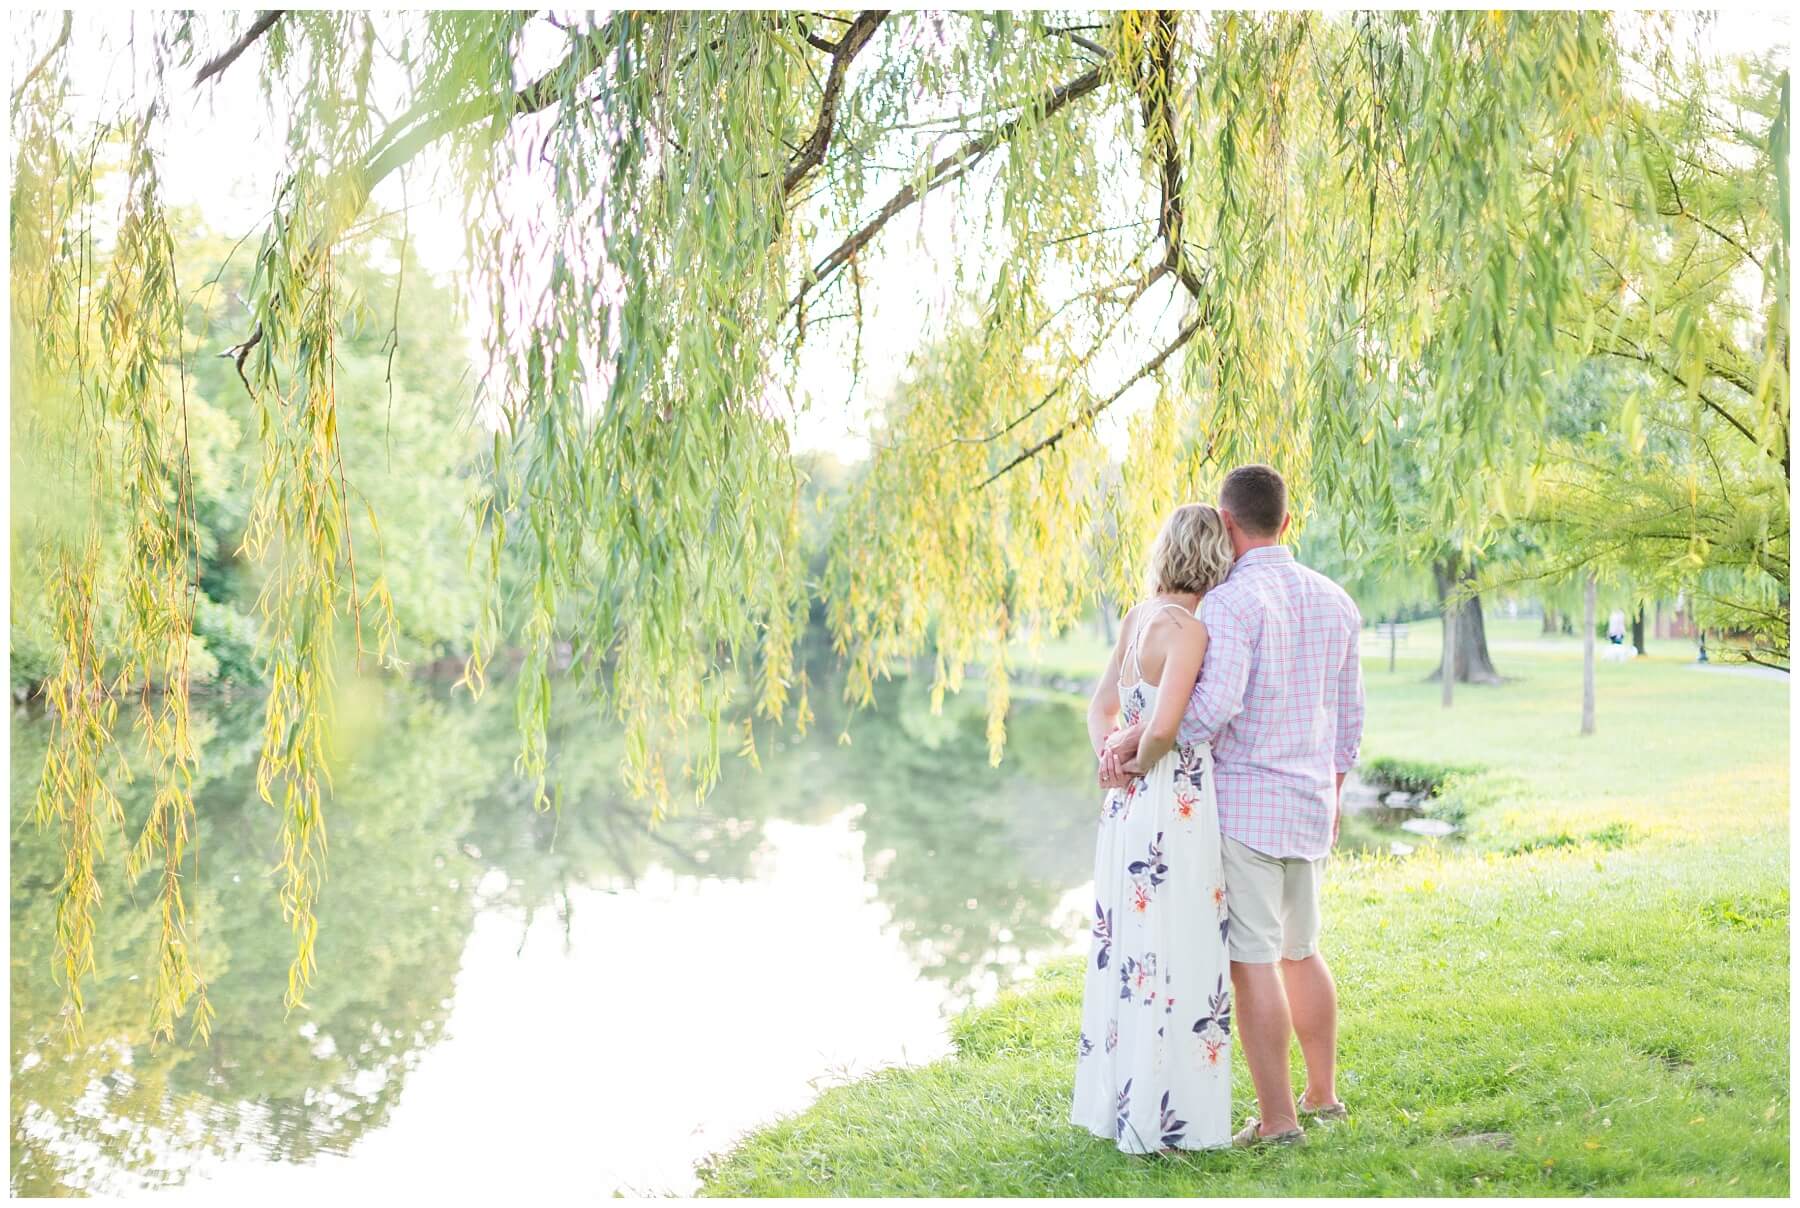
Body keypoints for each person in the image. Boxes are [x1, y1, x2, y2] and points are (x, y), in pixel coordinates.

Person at [1101, 464, 1364, 1149]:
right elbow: (1350, 720)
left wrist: (1139, 736)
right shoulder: (1336, 599)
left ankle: (1279, 1122)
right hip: (1308, 803)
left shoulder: (1230, 602)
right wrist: (1332, 797)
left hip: (1247, 804)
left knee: (1252, 962)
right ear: (1286, 518)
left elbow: (1213, 707)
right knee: (1301, 951)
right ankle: (1323, 1094)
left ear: (1225, 520)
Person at [1071, 503, 1236, 1154]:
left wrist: (1107, 757)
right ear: (1214, 558)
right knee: (1176, 943)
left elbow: (1101, 706)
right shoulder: (1188, 631)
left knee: (1136, 950)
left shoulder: (1138, 617)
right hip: (1173, 800)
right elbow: (1166, 729)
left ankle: (1130, 1103)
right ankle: (1166, 1121)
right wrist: (1136, 762)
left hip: (1127, 805)